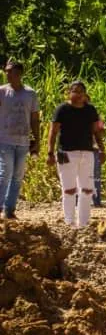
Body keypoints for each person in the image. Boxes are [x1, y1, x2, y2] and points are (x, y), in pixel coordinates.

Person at [46, 81, 106, 229]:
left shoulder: (90, 110)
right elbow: (53, 132)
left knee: (87, 189)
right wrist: (50, 153)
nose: (78, 94)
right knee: (69, 189)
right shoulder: (62, 109)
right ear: (69, 92)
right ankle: (69, 221)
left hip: (87, 153)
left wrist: (102, 149)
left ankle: (84, 222)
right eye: (75, 91)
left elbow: (96, 131)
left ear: (85, 94)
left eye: (81, 91)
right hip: (66, 153)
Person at [0, 59, 41, 219]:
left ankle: (9, 210)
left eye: (10, 71)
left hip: (23, 141)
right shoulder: (2, 92)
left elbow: (34, 118)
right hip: (5, 140)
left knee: (17, 176)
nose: (7, 74)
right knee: (5, 172)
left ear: (18, 73)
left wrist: (37, 140)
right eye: (6, 71)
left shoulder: (30, 94)